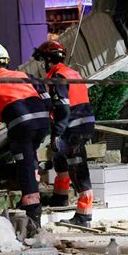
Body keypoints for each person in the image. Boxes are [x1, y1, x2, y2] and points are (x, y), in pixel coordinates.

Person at [0, 42, 50, 232]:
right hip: (42, 123)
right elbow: (47, 99)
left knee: (23, 164)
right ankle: (31, 199)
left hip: (21, 126)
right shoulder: (26, 76)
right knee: (30, 157)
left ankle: (33, 214)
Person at [32, 40, 96, 227]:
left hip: (73, 128)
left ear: (48, 60)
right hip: (82, 125)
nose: (42, 65)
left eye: (43, 60)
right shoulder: (72, 73)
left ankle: (84, 216)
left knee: (77, 169)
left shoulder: (58, 77)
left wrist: (56, 133)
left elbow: (63, 108)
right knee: (60, 159)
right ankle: (60, 198)